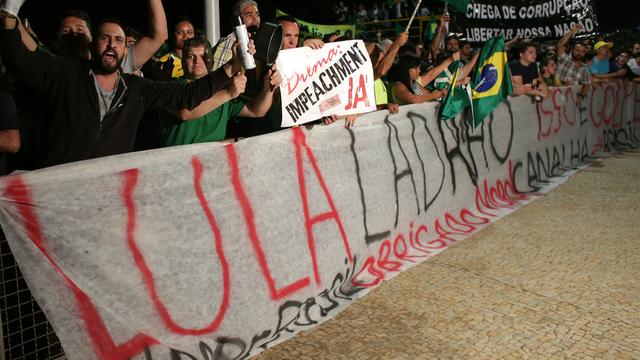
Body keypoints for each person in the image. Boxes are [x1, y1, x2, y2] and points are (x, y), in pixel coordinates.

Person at [0, 7, 240, 168]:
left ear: (126, 49)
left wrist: (232, 66)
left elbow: (188, 96)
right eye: (105, 38)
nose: (111, 45)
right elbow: (19, 62)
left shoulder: (137, 89)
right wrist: (9, 17)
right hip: (59, 190)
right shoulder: (66, 74)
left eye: (119, 40)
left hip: (109, 195)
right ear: (94, 44)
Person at [157, 37, 281, 146]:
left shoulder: (221, 89)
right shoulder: (170, 86)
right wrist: (228, 94)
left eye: (203, 56)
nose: (197, 61)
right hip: (178, 167)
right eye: (190, 56)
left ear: (212, 61)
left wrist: (268, 86)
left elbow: (256, 110)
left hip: (213, 166)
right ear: (182, 61)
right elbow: (186, 112)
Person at [212, 0, 261, 71]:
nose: (255, 19)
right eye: (249, 15)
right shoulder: (232, 41)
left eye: (257, 14)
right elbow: (216, 77)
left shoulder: (254, 41)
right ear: (238, 19)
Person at [555, 24, 590, 103]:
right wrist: (572, 31)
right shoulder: (564, 58)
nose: (579, 53)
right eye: (577, 50)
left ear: (585, 53)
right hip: (556, 97)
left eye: (582, 51)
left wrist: (581, 95)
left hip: (572, 100)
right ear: (572, 50)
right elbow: (560, 45)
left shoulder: (584, 68)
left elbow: (587, 84)